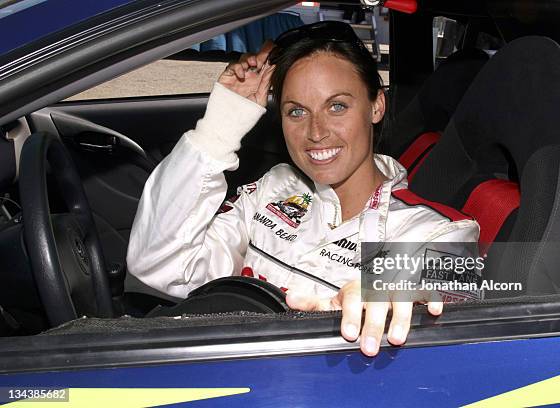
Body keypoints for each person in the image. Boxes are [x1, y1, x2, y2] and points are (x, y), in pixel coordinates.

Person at [127, 21, 479, 356]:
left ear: (376, 105)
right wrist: (218, 127)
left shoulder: (438, 230)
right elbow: (161, 265)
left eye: (337, 106)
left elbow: (450, 287)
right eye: (296, 112)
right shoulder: (274, 186)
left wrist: (386, 295)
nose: (315, 132)